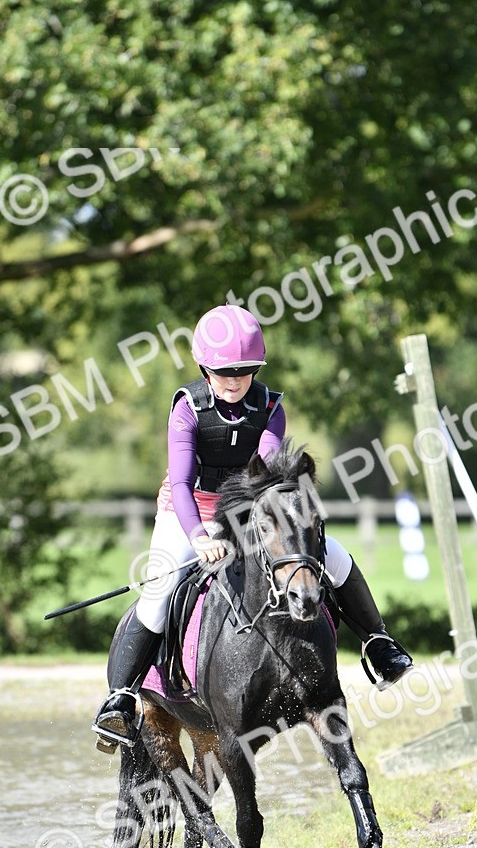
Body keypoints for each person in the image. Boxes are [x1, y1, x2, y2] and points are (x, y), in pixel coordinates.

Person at [92, 304, 413, 752]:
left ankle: (379, 643)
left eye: (245, 370)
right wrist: (199, 537)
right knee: (159, 592)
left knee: (333, 556)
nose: (235, 379)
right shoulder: (186, 409)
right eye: (225, 371)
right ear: (205, 367)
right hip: (189, 509)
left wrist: (244, 530)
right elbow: (181, 484)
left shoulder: (269, 407)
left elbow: (263, 480)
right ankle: (120, 700)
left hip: (248, 512)